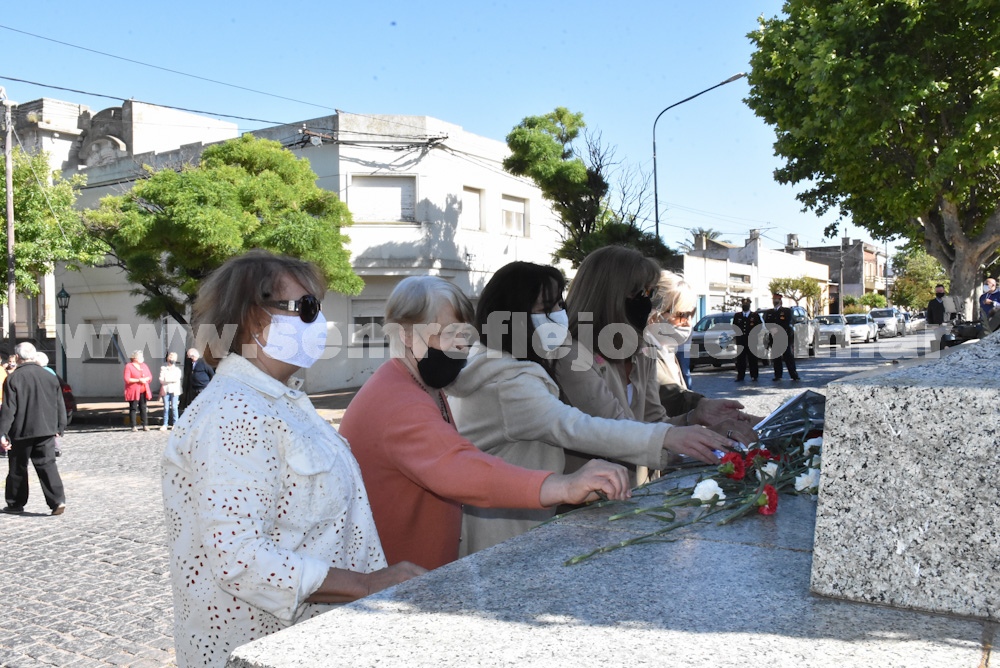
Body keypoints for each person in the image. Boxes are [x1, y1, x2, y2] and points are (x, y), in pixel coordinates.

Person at [162, 250, 424, 668]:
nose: (319, 322)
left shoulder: (281, 401)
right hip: (265, 648)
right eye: (306, 308)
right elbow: (239, 556)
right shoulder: (235, 411)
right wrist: (365, 584)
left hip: (312, 642)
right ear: (252, 318)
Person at [340, 275, 632, 571]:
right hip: (397, 588)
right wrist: (564, 487)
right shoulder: (399, 402)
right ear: (406, 334)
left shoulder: (418, 384)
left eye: (465, 334)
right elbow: (458, 468)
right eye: (447, 333)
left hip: (416, 577)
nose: (460, 346)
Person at [448, 262, 736, 555]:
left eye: (560, 303)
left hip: (523, 520)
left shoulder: (512, 365)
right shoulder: (510, 380)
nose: (559, 313)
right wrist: (667, 438)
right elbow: (579, 426)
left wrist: (690, 426)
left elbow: (648, 417)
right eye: (547, 307)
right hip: (505, 534)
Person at [553, 246, 756, 484]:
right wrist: (692, 437)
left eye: (649, 292)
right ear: (610, 295)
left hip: (637, 494)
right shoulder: (572, 353)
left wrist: (696, 418)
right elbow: (616, 430)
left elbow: (654, 422)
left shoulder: (642, 349)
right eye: (640, 292)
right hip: (587, 504)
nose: (647, 302)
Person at [0, 342, 68, 515]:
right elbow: (59, 403)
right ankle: (57, 500)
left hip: (22, 430)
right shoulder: (49, 376)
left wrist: (3, 432)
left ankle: (15, 503)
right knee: (47, 465)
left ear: (17, 357)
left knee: (17, 467)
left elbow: (9, 408)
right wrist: (60, 425)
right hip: (46, 428)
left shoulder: (14, 378)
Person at [764, 293, 799, 381]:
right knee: (776, 357)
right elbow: (767, 323)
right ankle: (778, 375)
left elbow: (787, 322)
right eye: (773, 299)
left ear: (780, 301)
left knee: (788, 356)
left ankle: (793, 374)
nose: (774, 301)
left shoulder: (786, 311)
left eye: (776, 300)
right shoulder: (769, 312)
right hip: (774, 337)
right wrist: (771, 329)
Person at [733, 298, 763, 382]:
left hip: (752, 341)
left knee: (752, 359)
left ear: (749, 306)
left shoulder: (755, 315)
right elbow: (734, 326)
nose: (745, 306)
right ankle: (740, 376)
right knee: (740, 360)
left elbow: (759, 326)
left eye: (746, 305)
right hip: (741, 341)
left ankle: (754, 375)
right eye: (743, 305)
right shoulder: (737, 316)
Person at [123, 350, 153, 431]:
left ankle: (145, 425)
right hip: (133, 391)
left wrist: (146, 379)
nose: (141, 358)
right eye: (140, 356)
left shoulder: (144, 365)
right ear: (135, 358)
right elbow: (127, 379)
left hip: (143, 390)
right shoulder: (129, 366)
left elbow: (150, 376)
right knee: (133, 408)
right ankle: (133, 425)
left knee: (143, 407)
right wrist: (138, 380)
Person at [158, 352, 183, 431]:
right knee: (166, 407)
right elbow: (161, 380)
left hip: (175, 390)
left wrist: (167, 380)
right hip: (166, 390)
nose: (171, 359)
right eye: (170, 357)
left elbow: (176, 379)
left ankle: (175, 423)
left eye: (173, 358)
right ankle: (165, 424)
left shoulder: (177, 369)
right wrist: (169, 380)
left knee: (174, 407)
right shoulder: (163, 368)